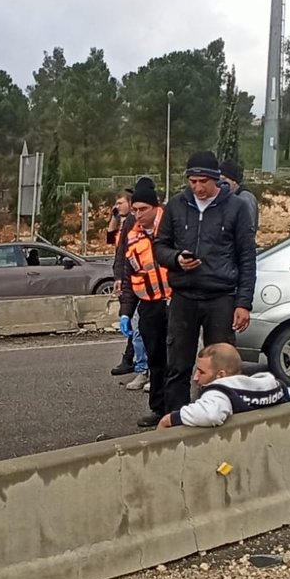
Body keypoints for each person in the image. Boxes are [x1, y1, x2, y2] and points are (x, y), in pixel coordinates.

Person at [154, 150, 257, 419]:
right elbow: (160, 247)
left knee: (221, 365)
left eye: (203, 182)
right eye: (193, 181)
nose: (198, 187)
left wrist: (243, 302)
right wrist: (176, 259)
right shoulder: (176, 206)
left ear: (216, 180)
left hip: (220, 296)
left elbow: (247, 257)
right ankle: (176, 419)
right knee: (178, 363)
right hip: (184, 296)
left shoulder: (237, 208)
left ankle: (217, 413)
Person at [119, 177, 172, 426]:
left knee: (177, 360)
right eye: (136, 209)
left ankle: (177, 408)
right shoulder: (132, 238)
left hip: (175, 302)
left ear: (155, 207)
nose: (138, 214)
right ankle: (158, 409)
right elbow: (130, 278)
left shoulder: (173, 226)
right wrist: (126, 312)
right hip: (149, 305)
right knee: (156, 360)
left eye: (143, 209)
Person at [156, 343, 290, 429]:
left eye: (201, 372)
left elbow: (211, 414)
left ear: (221, 375)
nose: (195, 378)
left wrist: (170, 418)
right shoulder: (273, 386)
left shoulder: (220, 391)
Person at [107, 190, 143, 377]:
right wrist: (115, 215)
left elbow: (126, 253)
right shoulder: (124, 223)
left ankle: (132, 360)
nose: (117, 206)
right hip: (123, 274)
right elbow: (109, 236)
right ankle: (130, 358)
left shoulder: (133, 222)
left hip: (133, 278)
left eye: (121, 202)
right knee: (132, 321)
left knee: (136, 322)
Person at [220, 159, 259, 235]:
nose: (220, 183)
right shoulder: (227, 197)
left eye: (223, 179)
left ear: (234, 181)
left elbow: (248, 227)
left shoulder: (245, 198)